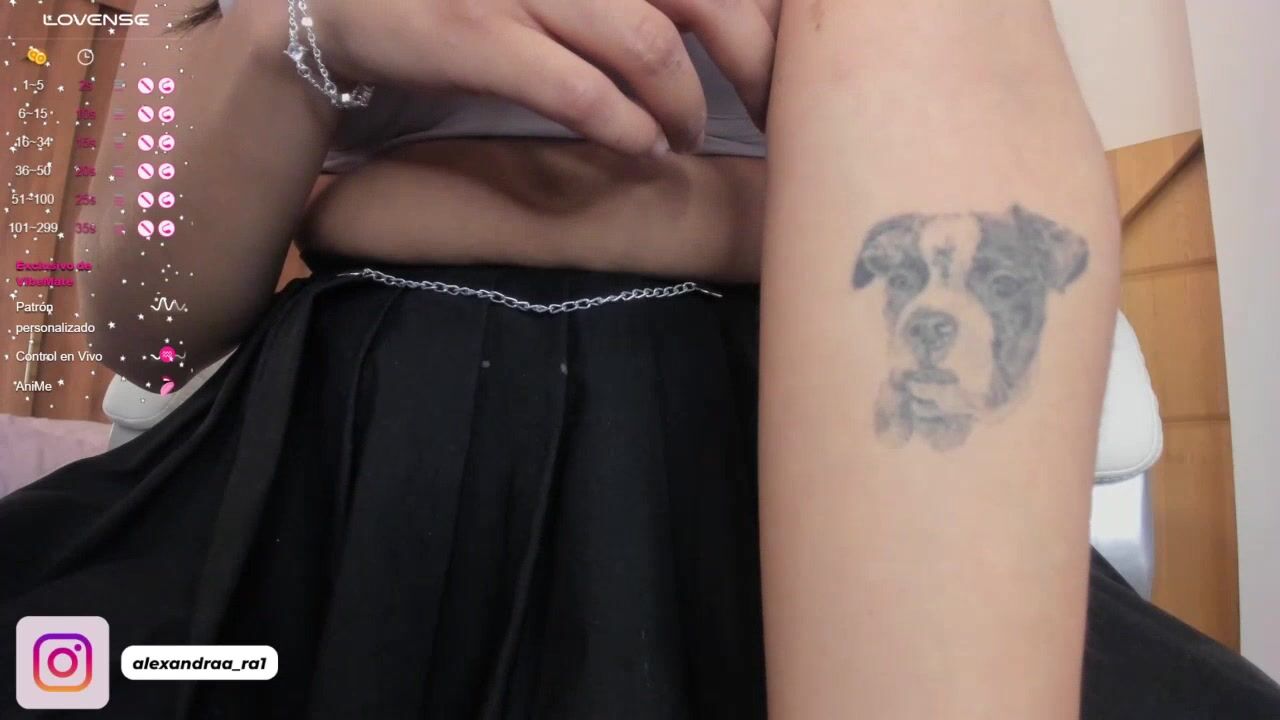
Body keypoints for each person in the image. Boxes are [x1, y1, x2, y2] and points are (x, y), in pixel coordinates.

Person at [3, 0, 1279, 717]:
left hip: (791, 433)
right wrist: (299, 32)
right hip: (334, 428)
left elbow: (958, 106)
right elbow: (147, 328)